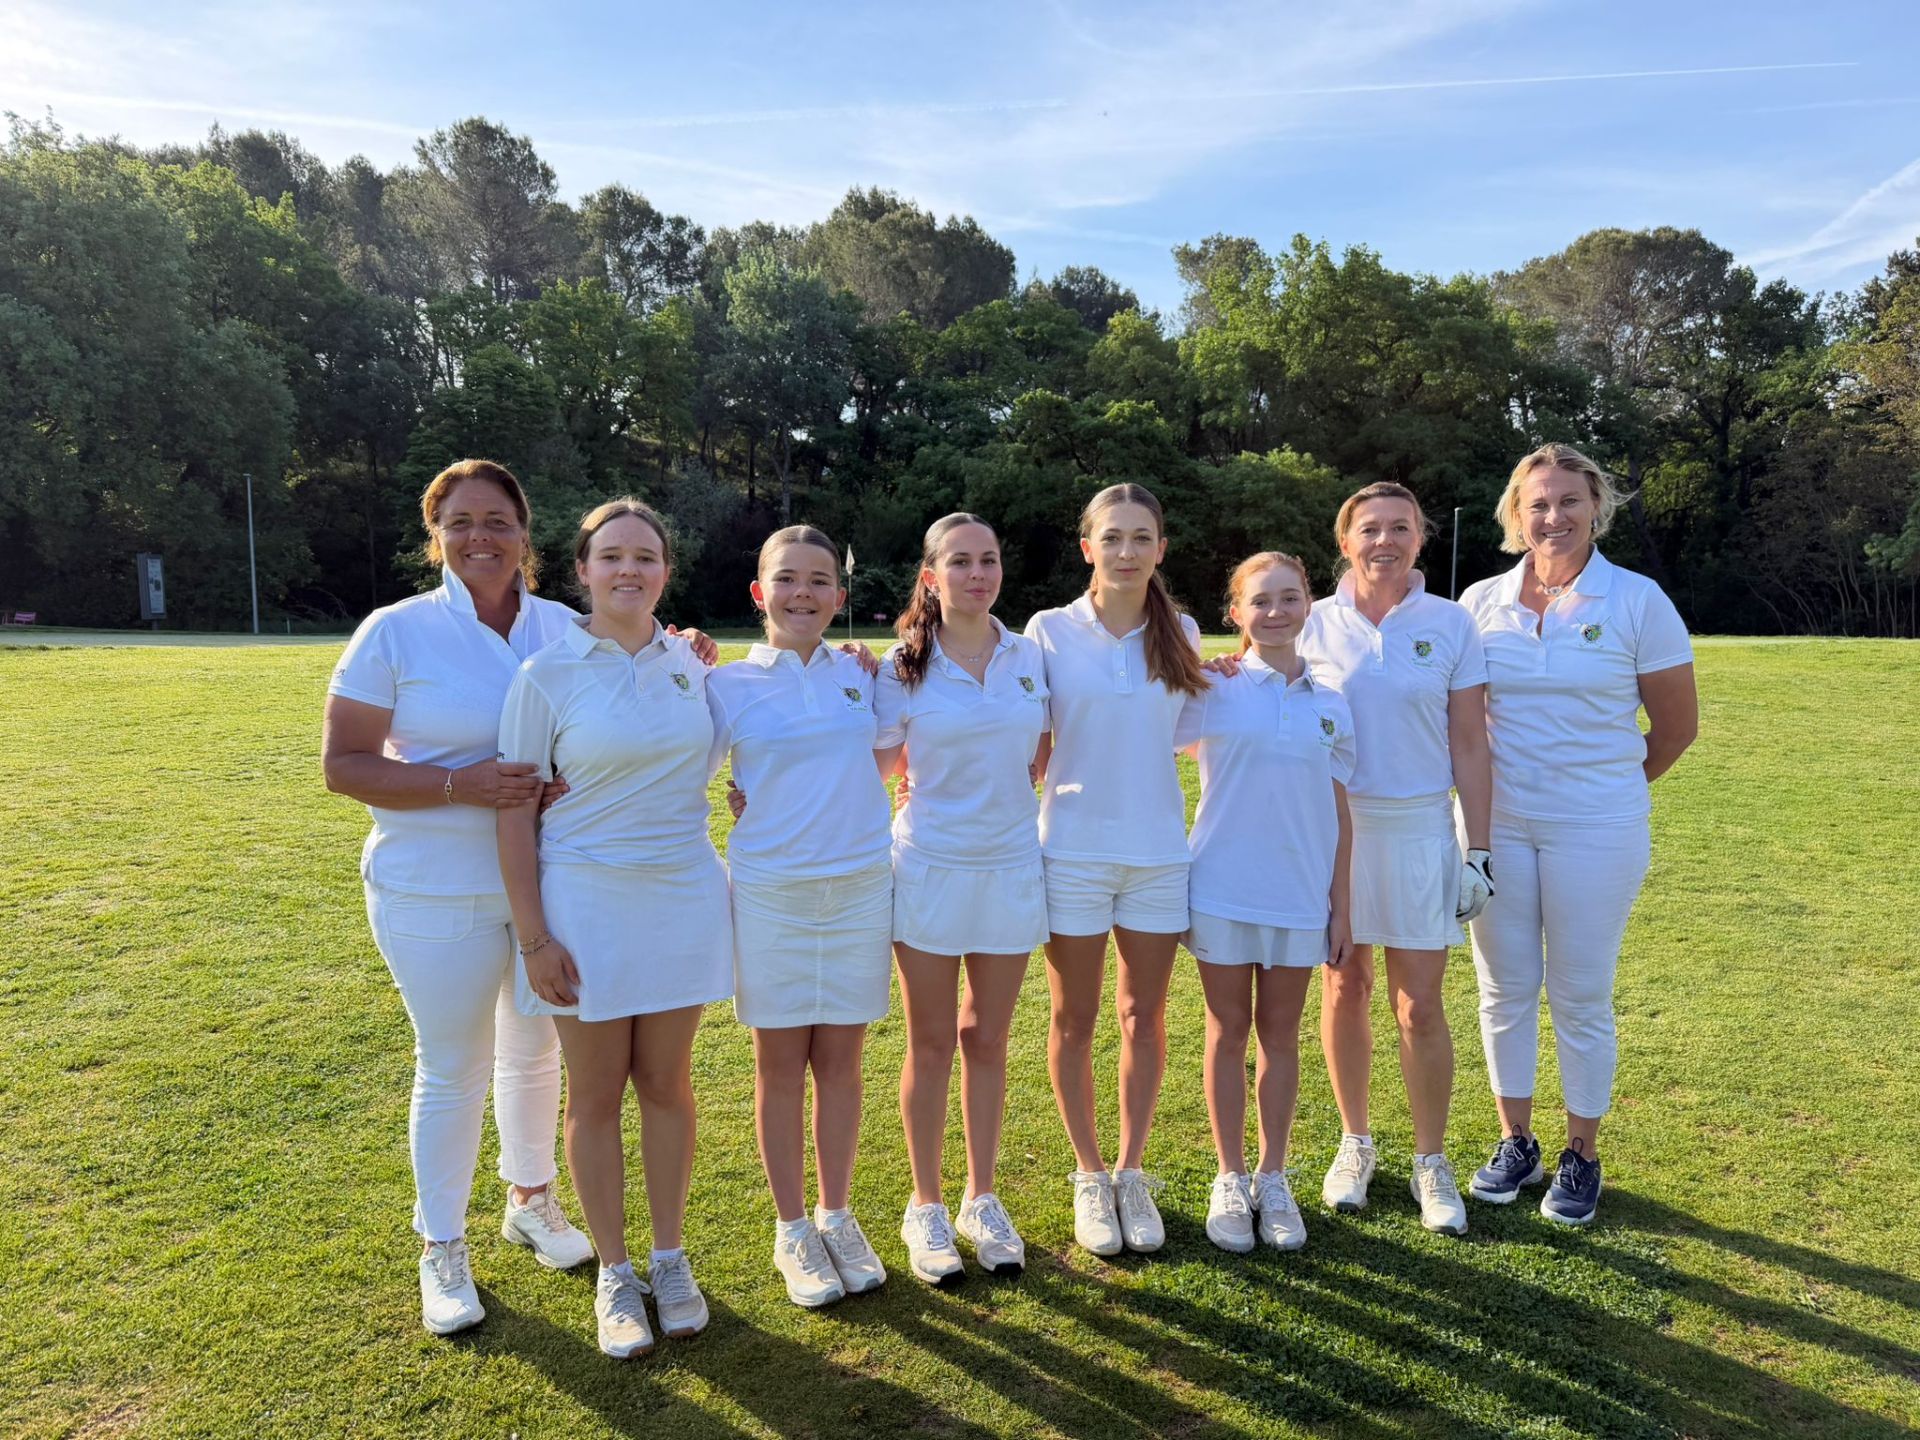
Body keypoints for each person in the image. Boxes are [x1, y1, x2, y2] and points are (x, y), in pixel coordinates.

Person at [322, 459, 595, 1336]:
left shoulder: (564, 626)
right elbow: (343, 765)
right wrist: (459, 784)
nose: (482, 537)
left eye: (498, 521)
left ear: (524, 532)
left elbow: (616, 708)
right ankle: (441, 1245)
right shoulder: (394, 631)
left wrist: (693, 648)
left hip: (548, 886)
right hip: (432, 887)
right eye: (462, 522)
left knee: (535, 1050)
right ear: (436, 534)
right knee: (453, 1064)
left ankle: (531, 1200)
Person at [495, 499, 731, 1358]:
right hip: (582, 908)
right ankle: (616, 1273)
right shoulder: (545, 675)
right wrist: (534, 938)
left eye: (645, 556)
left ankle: (669, 1259)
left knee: (667, 1086)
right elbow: (514, 815)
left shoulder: (695, 665)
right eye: (612, 556)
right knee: (594, 1096)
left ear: (665, 571)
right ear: (582, 571)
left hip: (683, 899)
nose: (629, 570)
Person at [1458, 443, 1697, 1226]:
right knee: (1503, 987)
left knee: (1580, 993)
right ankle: (1516, 1142)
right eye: (1538, 503)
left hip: (1597, 829)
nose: (1553, 516)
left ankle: (1582, 1153)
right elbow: (1459, 719)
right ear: (1515, 514)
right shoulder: (1480, 601)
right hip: (1495, 827)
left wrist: (1606, 793)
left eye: (1569, 501)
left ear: (1596, 507)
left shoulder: (1637, 600)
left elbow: (1676, 729)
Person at [1297, 482, 1494, 1236]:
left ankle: (1430, 1160)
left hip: (1419, 828)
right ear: (1345, 541)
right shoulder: (1311, 620)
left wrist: (1479, 850)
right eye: (1370, 528)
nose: (1385, 541)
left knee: (1420, 1004)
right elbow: (1257, 688)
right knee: (1344, 985)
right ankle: (1355, 1142)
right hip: (1334, 830)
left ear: (1420, 537)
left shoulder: (1451, 622)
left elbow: (1470, 742)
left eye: (1400, 528)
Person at [707, 526, 894, 1308]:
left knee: (842, 1063)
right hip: (773, 894)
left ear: (839, 595)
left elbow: (883, 759)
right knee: (780, 1067)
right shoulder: (725, 685)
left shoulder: (863, 675)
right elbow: (677, 771)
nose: (804, 593)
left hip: (859, 889)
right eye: (787, 579)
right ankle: (792, 1228)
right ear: (760, 592)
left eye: (820, 580)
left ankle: (836, 1216)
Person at [1024, 483, 1208, 1257]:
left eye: (1141, 538)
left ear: (1160, 549)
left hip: (1159, 856)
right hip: (1071, 852)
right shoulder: (1047, 631)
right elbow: (1026, 741)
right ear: (1087, 547)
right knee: (1074, 1019)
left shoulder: (1184, 632)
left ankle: (1131, 1172)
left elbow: (1197, 730)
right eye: (1112, 537)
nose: (1126, 551)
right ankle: (1089, 1174)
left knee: (1144, 1017)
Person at [873, 514, 1049, 1284]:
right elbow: (872, 765)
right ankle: (927, 1205)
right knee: (932, 1041)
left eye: (989, 560)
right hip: (929, 869)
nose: (978, 574)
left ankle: (982, 1197)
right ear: (932, 577)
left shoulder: (1030, 655)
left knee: (988, 1039)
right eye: (961, 562)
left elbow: (1044, 751)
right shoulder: (900, 667)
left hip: (1010, 868)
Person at [1179, 553, 1355, 1254]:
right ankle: (1229, 1176)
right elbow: (1140, 733)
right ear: (1236, 613)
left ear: (1309, 604)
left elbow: (1339, 813)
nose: (1275, 611)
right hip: (1221, 888)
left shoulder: (1331, 701)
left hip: (1299, 895)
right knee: (1227, 1032)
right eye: (1260, 601)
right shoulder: (1211, 688)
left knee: (1280, 1037)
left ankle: (1272, 1177)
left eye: (1289, 598)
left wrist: (1341, 907)